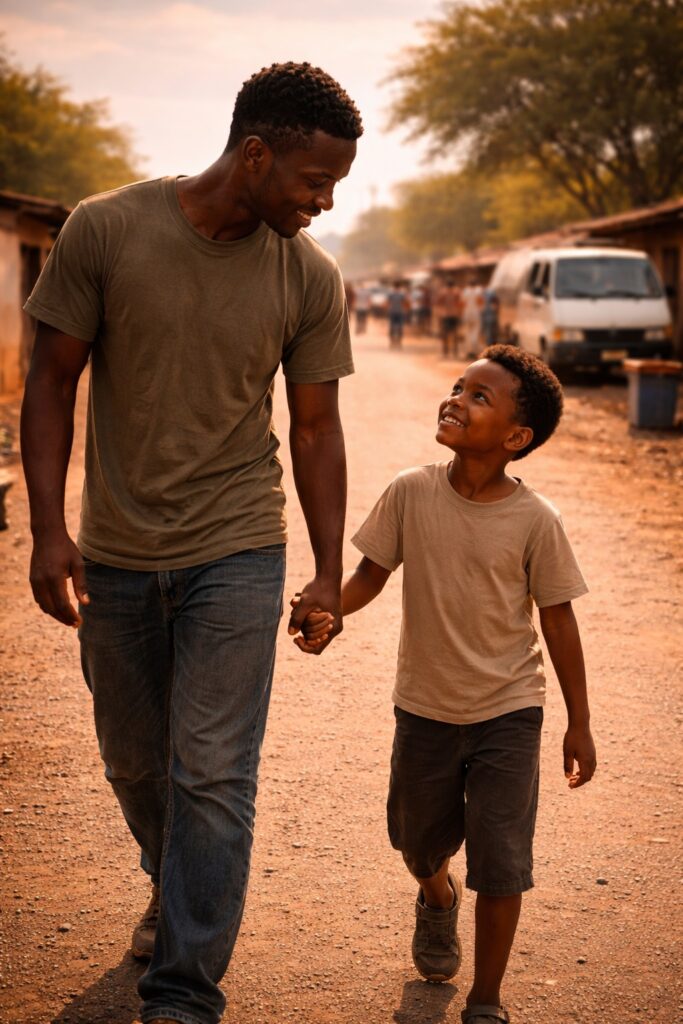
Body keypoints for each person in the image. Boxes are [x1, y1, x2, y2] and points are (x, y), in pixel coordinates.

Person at [20, 62, 362, 1024]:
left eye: (334, 187)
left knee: (213, 769)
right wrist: (49, 531)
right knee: (136, 762)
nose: (322, 204)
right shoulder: (108, 229)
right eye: (312, 181)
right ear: (255, 154)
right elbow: (50, 383)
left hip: (239, 546)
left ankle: (184, 991)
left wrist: (328, 566)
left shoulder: (307, 276)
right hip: (119, 549)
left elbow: (317, 430)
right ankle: (170, 890)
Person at [292, 345, 596, 1024]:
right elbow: (370, 575)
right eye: (458, 386)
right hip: (424, 708)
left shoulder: (534, 520)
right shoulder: (410, 491)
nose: (455, 398)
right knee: (415, 841)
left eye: (479, 397)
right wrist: (329, 610)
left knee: (501, 860)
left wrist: (578, 721)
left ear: (516, 438)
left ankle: (485, 1000)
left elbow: (558, 619)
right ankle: (436, 898)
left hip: (509, 711)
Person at [434, 278, 463, 357]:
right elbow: (460, 303)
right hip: (454, 314)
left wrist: (439, 313)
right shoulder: (457, 292)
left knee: (445, 334)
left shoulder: (443, 292)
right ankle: (455, 352)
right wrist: (460, 313)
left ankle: (445, 351)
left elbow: (438, 303)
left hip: (445, 315)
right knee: (455, 333)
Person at [461, 277, 483, 356]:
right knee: (475, 332)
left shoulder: (466, 291)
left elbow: (463, 302)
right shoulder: (479, 290)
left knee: (468, 333)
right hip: (476, 313)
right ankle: (473, 350)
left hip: (467, 313)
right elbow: (480, 301)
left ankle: (469, 351)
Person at [386, 280, 408, 348]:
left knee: (392, 326)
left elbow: (387, 303)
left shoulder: (391, 294)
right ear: (400, 286)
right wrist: (406, 309)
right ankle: (399, 342)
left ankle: (392, 342)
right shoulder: (402, 294)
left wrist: (387, 309)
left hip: (392, 311)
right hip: (400, 312)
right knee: (400, 327)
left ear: (393, 286)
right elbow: (406, 302)